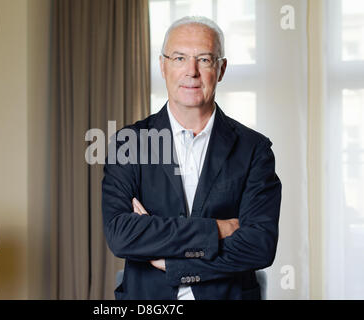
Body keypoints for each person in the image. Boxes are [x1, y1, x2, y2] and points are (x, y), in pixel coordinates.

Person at [102, 16, 282, 300]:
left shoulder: (254, 149)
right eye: (179, 58)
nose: (192, 71)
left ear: (221, 69)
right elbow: (121, 235)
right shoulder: (130, 143)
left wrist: (175, 264)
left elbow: (259, 246)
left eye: (205, 60)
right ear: (163, 66)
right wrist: (218, 229)